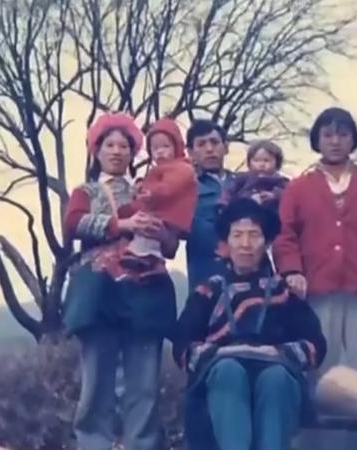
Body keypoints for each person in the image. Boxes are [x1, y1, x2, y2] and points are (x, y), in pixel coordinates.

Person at [61, 113, 179, 450]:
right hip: (99, 291)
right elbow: (72, 224)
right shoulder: (85, 191)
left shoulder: (151, 189)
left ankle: (142, 444)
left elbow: (171, 246)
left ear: (132, 152)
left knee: (144, 383)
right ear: (96, 151)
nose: (116, 151)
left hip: (146, 289)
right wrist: (120, 225)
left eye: (123, 146)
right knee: (97, 379)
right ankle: (93, 444)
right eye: (109, 145)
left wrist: (161, 232)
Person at [174, 198, 327, 450]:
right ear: (227, 242)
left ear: (266, 243)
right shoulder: (209, 291)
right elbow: (183, 343)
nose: (245, 244)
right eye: (237, 235)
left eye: (254, 235)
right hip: (220, 375)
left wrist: (278, 353)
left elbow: (315, 344)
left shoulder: (284, 292)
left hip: (277, 371)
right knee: (229, 371)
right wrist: (220, 355)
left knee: (276, 378)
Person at [273, 107, 357, 375]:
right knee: (321, 361)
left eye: (343, 135)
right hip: (316, 285)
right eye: (328, 135)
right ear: (317, 140)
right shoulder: (298, 187)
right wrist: (292, 270)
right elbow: (285, 234)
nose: (335, 142)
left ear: (353, 140)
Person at [120, 118, 198, 272]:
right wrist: (141, 187)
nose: (160, 151)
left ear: (176, 146)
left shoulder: (182, 168)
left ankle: (145, 257)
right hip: (159, 211)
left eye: (165, 146)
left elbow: (169, 187)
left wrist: (151, 192)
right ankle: (141, 256)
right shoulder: (159, 170)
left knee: (148, 228)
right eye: (155, 148)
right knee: (143, 227)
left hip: (168, 214)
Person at [185, 120, 236, 291]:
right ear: (190, 152)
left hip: (252, 279)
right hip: (207, 278)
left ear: (226, 147)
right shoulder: (186, 187)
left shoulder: (244, 184)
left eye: (214, 142)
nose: (209, 149)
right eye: (201, 144)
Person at [218, 139, 290, 213]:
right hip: (243, 214)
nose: (261, 164)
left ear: (277, 163)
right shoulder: (242, 178)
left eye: (266, 160)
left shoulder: (281, 181)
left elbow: (290, 196)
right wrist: (223, 205)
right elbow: (228, 192)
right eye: (256, 160)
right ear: (249, 162)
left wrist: (275, 196)